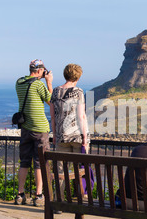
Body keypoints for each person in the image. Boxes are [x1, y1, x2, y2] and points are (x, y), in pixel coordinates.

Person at [14, 59, 53, 207]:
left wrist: (39, 76)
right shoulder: (38, 84)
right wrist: (49, 82)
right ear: (39, 70)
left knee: (24, 162)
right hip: (40, 128)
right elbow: (51, 101)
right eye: (43, 70)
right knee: (39, 163)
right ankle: (39, 195)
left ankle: (20, 194)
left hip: (25, 127)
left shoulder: (19, 82)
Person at [49, 64, 90, 202]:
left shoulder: (55, 91)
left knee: (61, 171)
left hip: (61, 136)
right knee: (80, 170)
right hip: (77, 136)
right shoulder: (78, 92)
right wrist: (85, 137)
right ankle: (80, 200)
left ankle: (58, 200)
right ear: (78, 76)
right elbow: (81, 116)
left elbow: (53, 117)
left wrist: (54, 135)